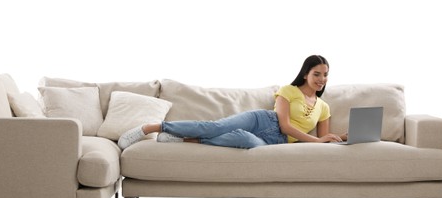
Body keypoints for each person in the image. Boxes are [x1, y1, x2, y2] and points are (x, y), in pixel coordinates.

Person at [118, 55, 346, 150]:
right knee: (215, 127)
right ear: (306, 74)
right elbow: (286, 125)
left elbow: (322, 141)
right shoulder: (288, 91)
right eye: (317, 74)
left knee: (243, 140)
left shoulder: (323, 107)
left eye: (325, 75)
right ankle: (152, 127)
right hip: (263, 121)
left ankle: (187, 139)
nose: (322, 79)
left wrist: (342, 138)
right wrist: (317, 139)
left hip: (273, 142)